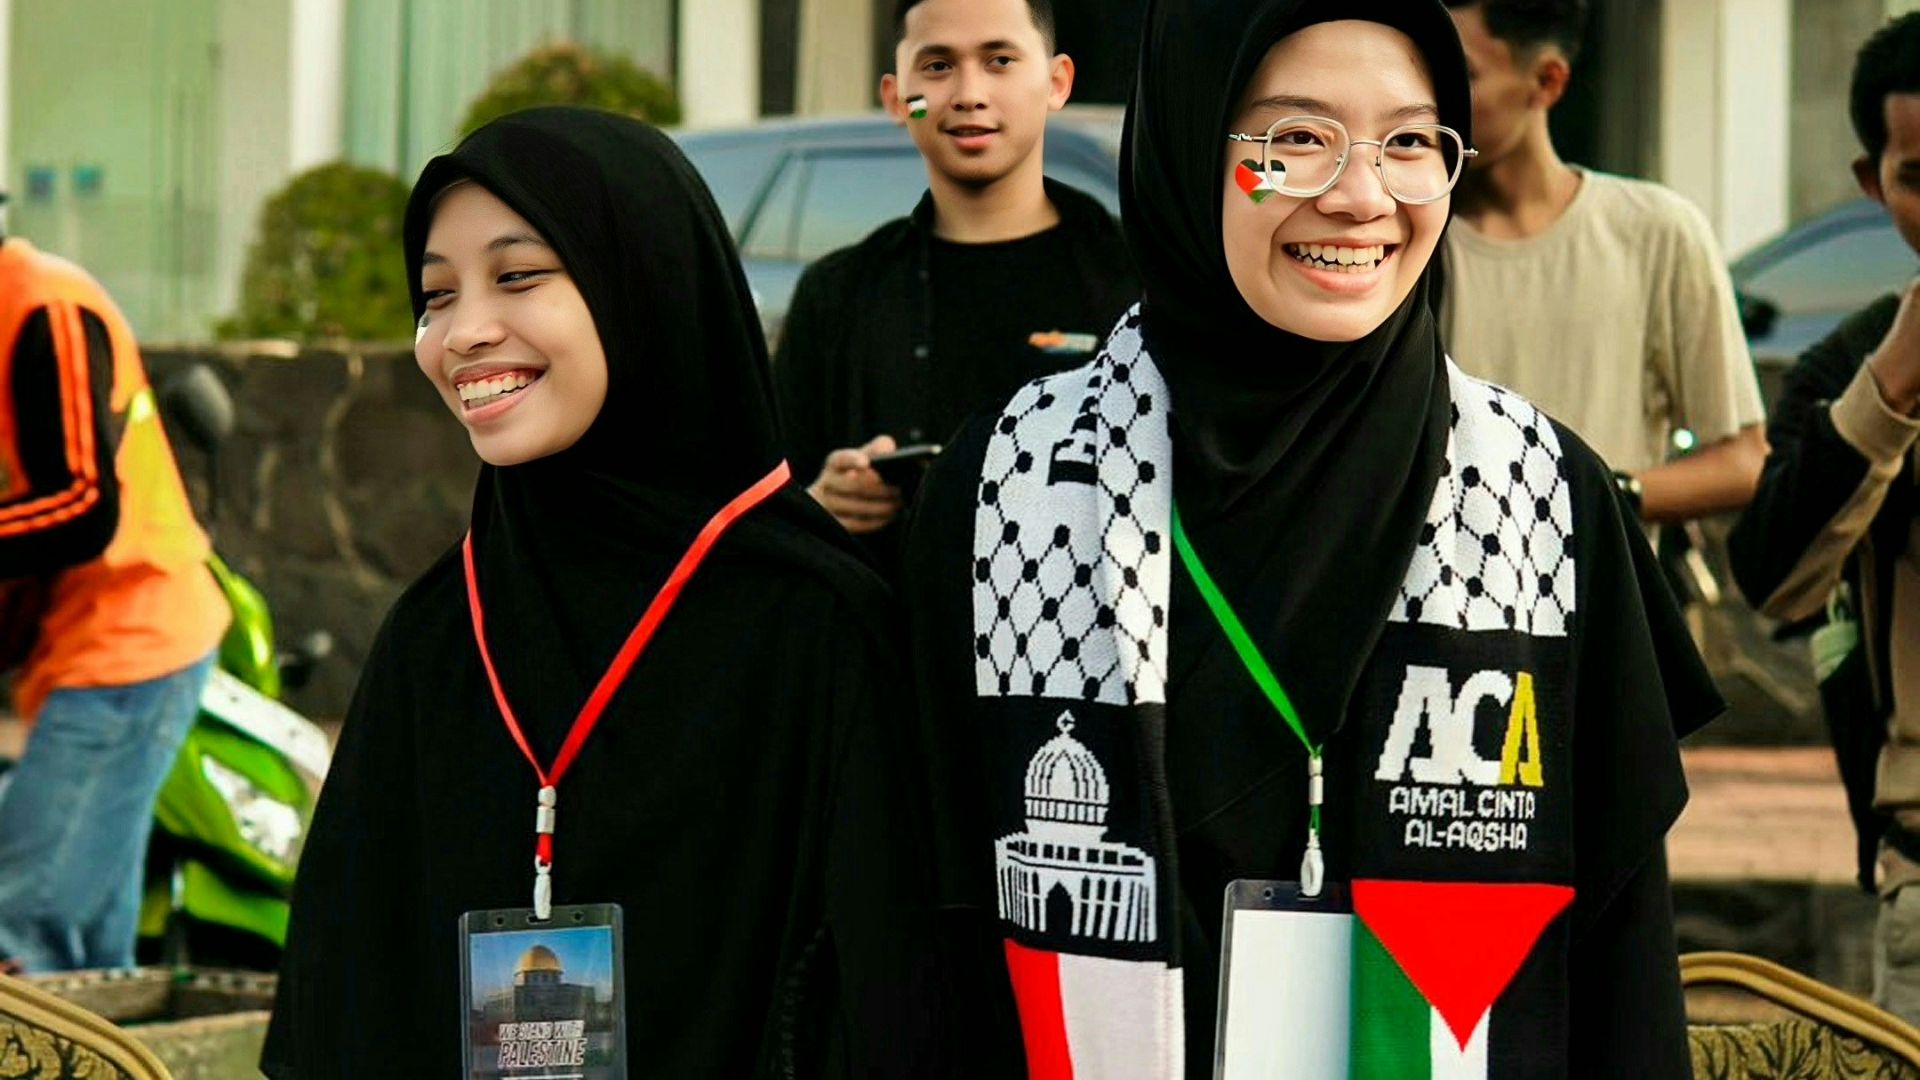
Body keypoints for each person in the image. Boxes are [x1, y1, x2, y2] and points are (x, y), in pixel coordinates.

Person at [903, 1, 1724, 1075]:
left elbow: (1621, 967)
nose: (1360, 194)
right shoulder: (1008, 487)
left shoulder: (1545, 498)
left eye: (1410, 142)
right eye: (1294, 139)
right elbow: (928, 934)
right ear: (1193, 145)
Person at [262, 108, 937, 1077]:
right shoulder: (438, 638)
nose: (463, 333)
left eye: (519, 275)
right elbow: (343, 1014)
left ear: (644, 284)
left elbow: (888, 1014)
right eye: (434, 295)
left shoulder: (817, 631)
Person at [775, 0, 1137, 567]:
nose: (969, 92)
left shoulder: (1137, 281)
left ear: (1056, 82)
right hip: (887, 643)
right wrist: (823, 500)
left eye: (999, 60)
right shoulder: (841, 292)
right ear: (896, 99)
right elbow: (773, 505)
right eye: (938, 66)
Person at [1729, 12, 1920, 1026]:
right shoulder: (1854, 363)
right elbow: (1776, 580)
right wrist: (1892, 383)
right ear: (1873, 185)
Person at [0, 214, 229, 972]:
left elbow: (81, 502)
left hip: (133, 643)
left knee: (22, 932)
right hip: (92, 653)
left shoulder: (45, 308)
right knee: (91, 959)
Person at [1440, 0, 1766, 525]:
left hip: (1602, 597)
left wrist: (1601, 496)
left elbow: (1743, 460)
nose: (1434, 101)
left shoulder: (1657, 231)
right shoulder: (1402, 240)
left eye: (1462, 76)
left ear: (1547, 81)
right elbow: (1253, 188)